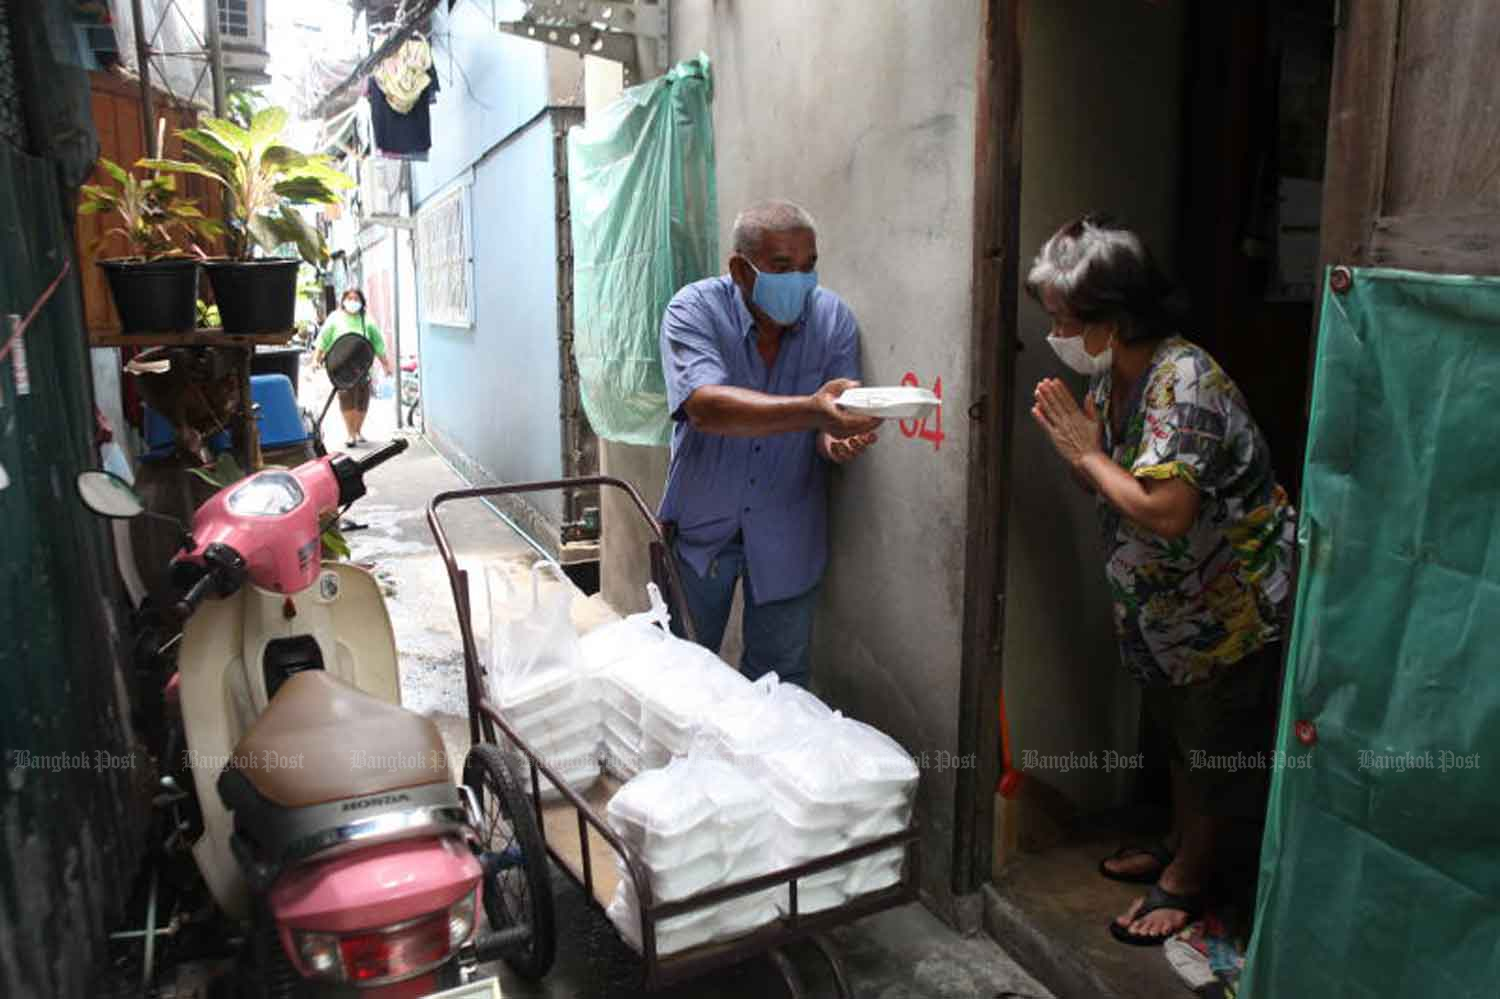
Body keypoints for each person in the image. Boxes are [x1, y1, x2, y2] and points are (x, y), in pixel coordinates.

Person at [1026, 215, 1295, 946]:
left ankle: (1194, 877)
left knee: (1211, 742)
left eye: (1062, 320)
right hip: (1162, 608)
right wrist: (1082, 454)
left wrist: (1086, 456)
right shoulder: (1116, 377)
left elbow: (1165, 509)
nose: (1055, 332)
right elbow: (1110, 484)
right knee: (1178, 729)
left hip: (1224, 602)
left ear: (1113, 317)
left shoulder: (1184, 381)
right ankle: (1181, 842)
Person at [658, 199, 882, 689]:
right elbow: (704, 406)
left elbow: (833, 416)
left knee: (779, 689)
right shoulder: (693, 310)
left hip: (787, 531)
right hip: (702, 533)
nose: (800, 281)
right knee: (680, 682)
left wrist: (834, 440)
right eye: (782, 267)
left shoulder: (832, 319)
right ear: (741, 269)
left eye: (809, 267)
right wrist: (812, 411)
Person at [314, 288, 393, 448]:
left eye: (356, 298)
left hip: (362, 367)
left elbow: (378, 344)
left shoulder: (367, 320)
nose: (352, 302)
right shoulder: (335, 319)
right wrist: (316, 360)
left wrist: (386, 364)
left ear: (361, 302)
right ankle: (350, 433)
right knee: (346, 398)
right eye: (349, 298)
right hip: (341, 366)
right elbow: (323, 340)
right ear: (343, 301)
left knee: (362, 400)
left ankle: (358, 430)